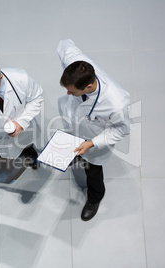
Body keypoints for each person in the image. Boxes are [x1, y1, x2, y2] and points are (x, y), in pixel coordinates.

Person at [57, 39, 131, 221]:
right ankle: (74, 154)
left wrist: (92, 143)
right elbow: (64, 44)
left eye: (72, 91)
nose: (68, 94)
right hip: (74, 122)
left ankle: (94, 198)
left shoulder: (116, 103)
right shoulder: (75, 61)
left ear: (88, 87)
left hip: (94, 136)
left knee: (93, 171)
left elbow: (122, 130)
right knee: (70, 144)